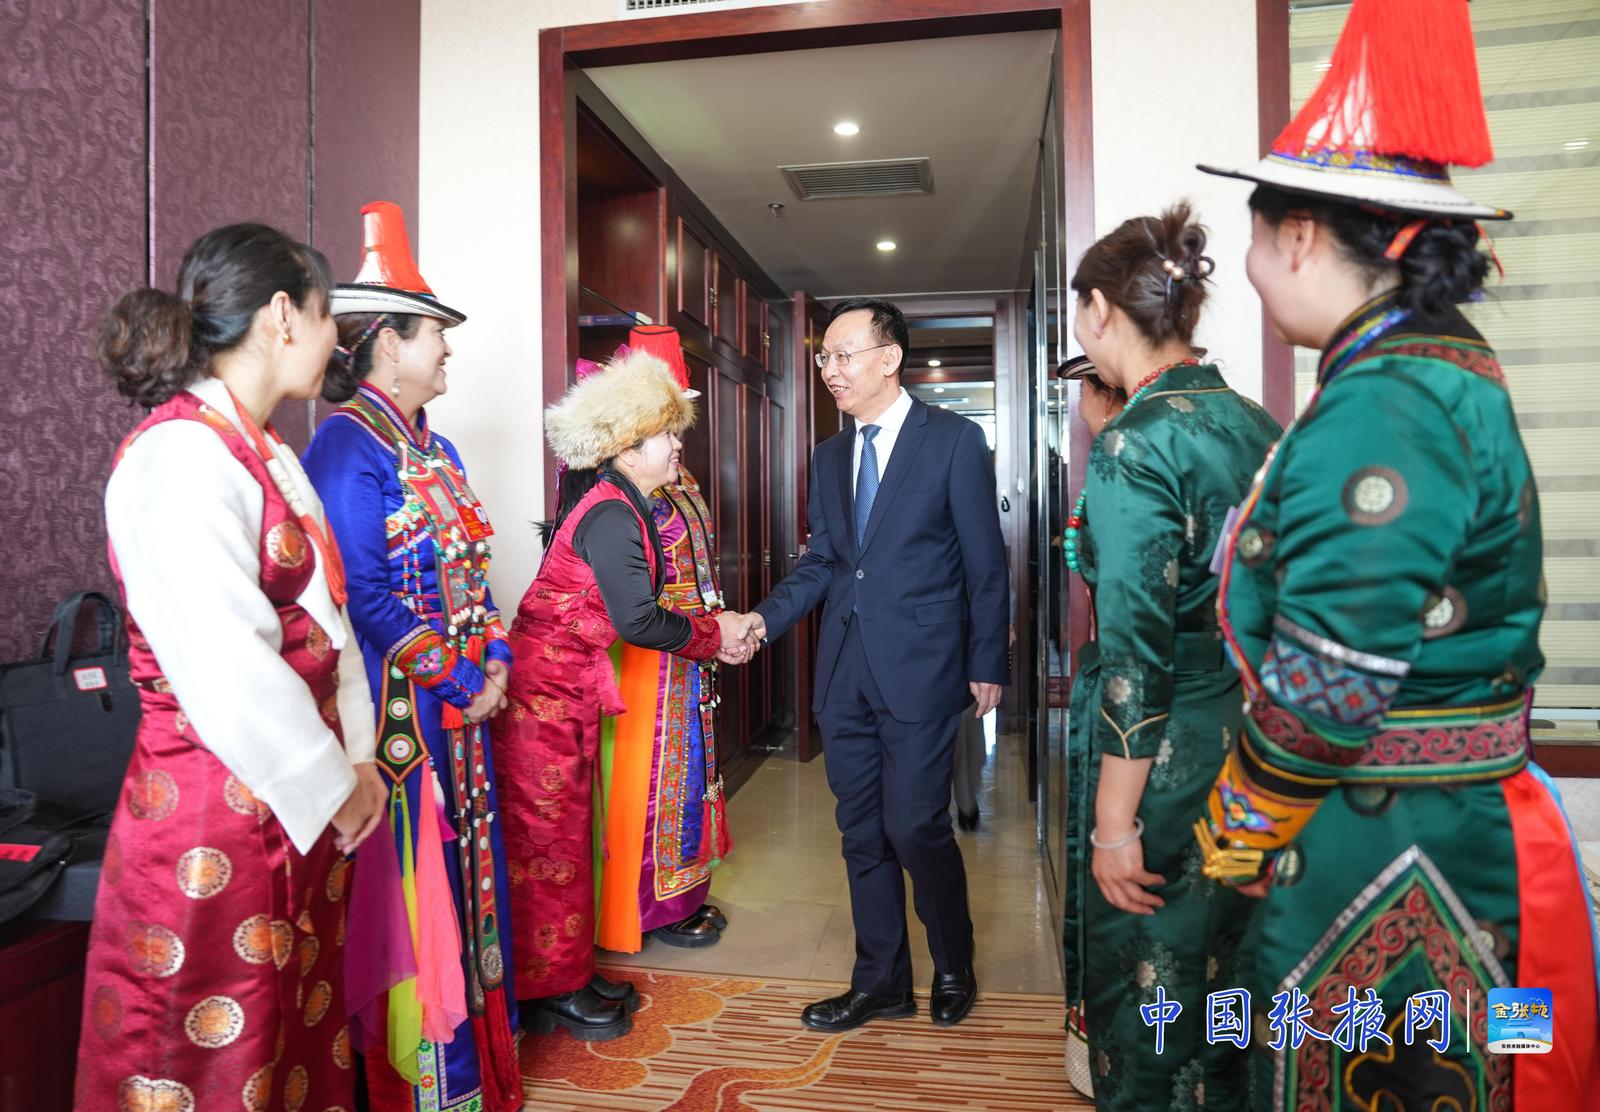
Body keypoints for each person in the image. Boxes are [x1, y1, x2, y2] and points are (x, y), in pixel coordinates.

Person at [1194, 0, 1600, 1106]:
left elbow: (1330, 679)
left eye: (1251, 243)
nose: (1249, 269)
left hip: (1395, 837)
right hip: (1439, 818)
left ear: (1296, 237)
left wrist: (1235, 830)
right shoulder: (1435, 367)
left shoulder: (1386, 399)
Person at [76, 223, 387, 1112]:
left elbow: (326, 623)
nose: (335, 342)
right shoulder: (178, 454)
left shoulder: (262, 447)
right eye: (328, 318)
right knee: (203, 1051)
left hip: (295, 801)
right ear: (284, 315)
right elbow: (226, 664)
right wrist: (337, 784)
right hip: (213, 812)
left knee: (290, 1037)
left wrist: (358, 762)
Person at [1057, 206, 1281, 1110]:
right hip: (1250, 742)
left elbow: (1135, 656)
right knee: (1231, 969)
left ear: (1100, 310)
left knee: (1150, 978)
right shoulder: (1256, 424)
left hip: (1165, 754)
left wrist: (1114, 823)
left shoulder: (1135, 442)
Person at [300, 202, 521, 1112]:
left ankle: (480, 1069)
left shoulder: (440, 445)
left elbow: (474, 568)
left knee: (474, 871)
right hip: (405, 714)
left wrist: (496, 657)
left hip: (462, 704)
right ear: (388, 344)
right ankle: (428, 1085)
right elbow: (365, 594)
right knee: (415, 885)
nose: (448, 349)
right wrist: (465, 681)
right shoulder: (344, 443)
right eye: (435, 334)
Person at [741, 296, 1010, 1032]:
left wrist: (988, 660)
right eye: (824, 357)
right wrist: (762, 620)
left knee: (915, 826)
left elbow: (985, 564)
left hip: (924, 667)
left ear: (889, 358)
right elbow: (826, 563)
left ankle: (953, 962)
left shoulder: (952, 440)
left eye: (843, 354)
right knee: (860, 832)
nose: (830, 370)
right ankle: (882, 981)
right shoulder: (830, 456)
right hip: (843, 670)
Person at [497, 349, 757, 1041]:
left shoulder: (622, 503)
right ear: (627, 446)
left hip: (567, 692)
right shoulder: (613, 513)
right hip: (542, 699)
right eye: (666, 433)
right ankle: (549, 988)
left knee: (566, 838)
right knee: (546, 846)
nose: (676, 445)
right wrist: (715, 635)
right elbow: (639, 619)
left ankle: (568, 972)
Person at [593, 325, 732, 956]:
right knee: (652, 774)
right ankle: (647, 904)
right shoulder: (621, 491)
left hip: (691, 646)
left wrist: (718, 626)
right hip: (649, 650)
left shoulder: (679, 478)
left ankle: (683, 893)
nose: (679, 435)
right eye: (668, 421)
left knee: (691, 770)